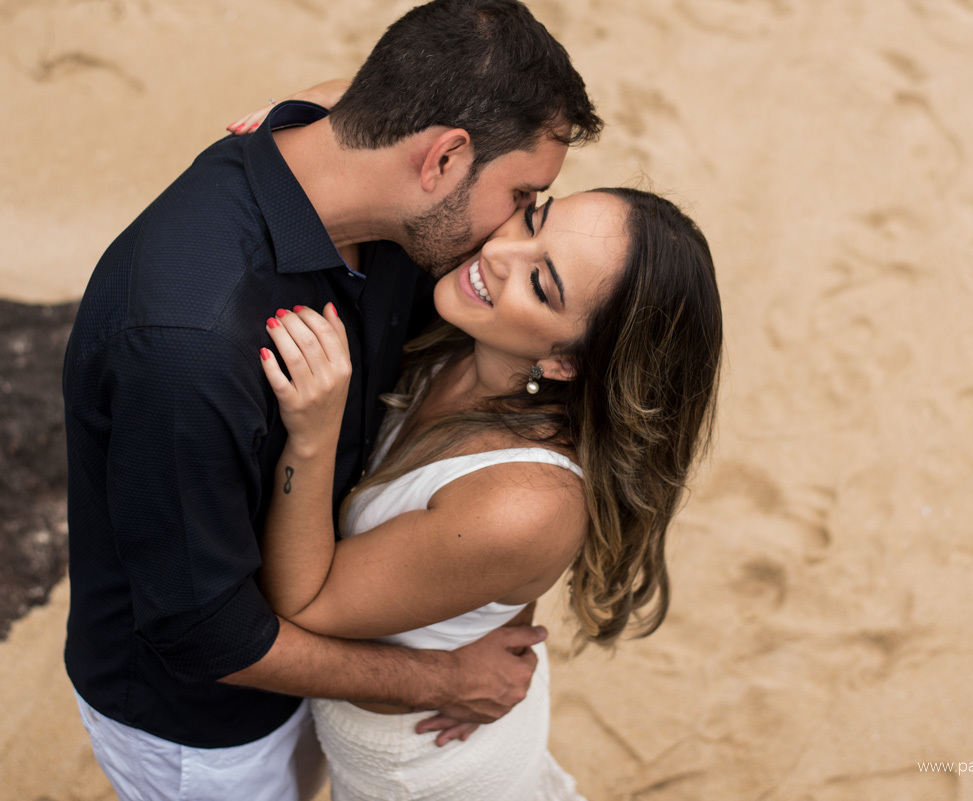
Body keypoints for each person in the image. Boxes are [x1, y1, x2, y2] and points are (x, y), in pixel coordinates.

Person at [61, 2, 602, 799]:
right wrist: (440, 679)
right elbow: (206, 636)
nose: (514, 231)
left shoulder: (382, 195)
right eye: (524, 193)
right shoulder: (188, 346)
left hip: (314, 674)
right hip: (205, 731)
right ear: (444, 159)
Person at [255, 186, 722, 799]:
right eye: (532, 218)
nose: (501, 253)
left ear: (565, 364)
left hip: (422, 770)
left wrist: (312, 439)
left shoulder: (524, 503)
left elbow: (304, 608)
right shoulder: (468, 338)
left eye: (541, 285)